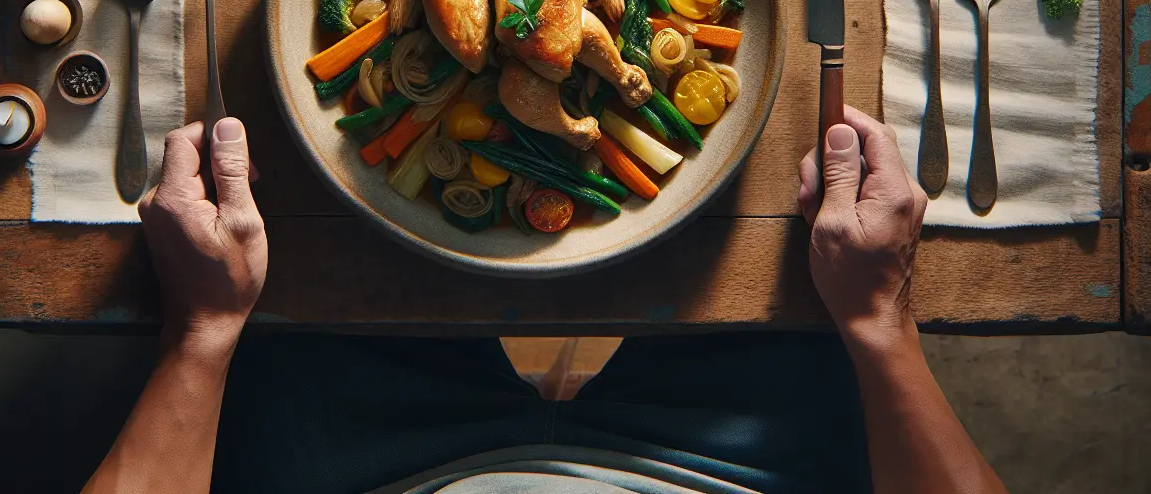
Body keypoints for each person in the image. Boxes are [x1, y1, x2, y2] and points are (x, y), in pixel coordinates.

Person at [82, 107, 1009, 494]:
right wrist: (881, 323)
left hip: (382, 470)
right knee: (790, 285)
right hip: (722, 474)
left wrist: (201, 331)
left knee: (304, 283)